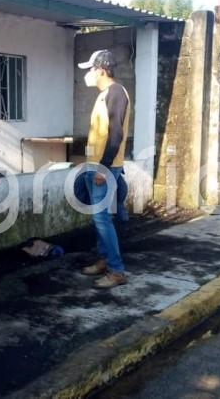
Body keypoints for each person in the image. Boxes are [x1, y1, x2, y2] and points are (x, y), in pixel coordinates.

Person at [77, 49, 132, 289]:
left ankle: (116, 270)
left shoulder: (116, 93)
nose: (88, 74)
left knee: (102, 218)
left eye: (91, 69)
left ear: (101, 69)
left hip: (105, 168)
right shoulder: (105, 94)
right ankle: (104, 260)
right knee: (99, 218)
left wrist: (104, 168)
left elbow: (116, 135)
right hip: (95, 166)